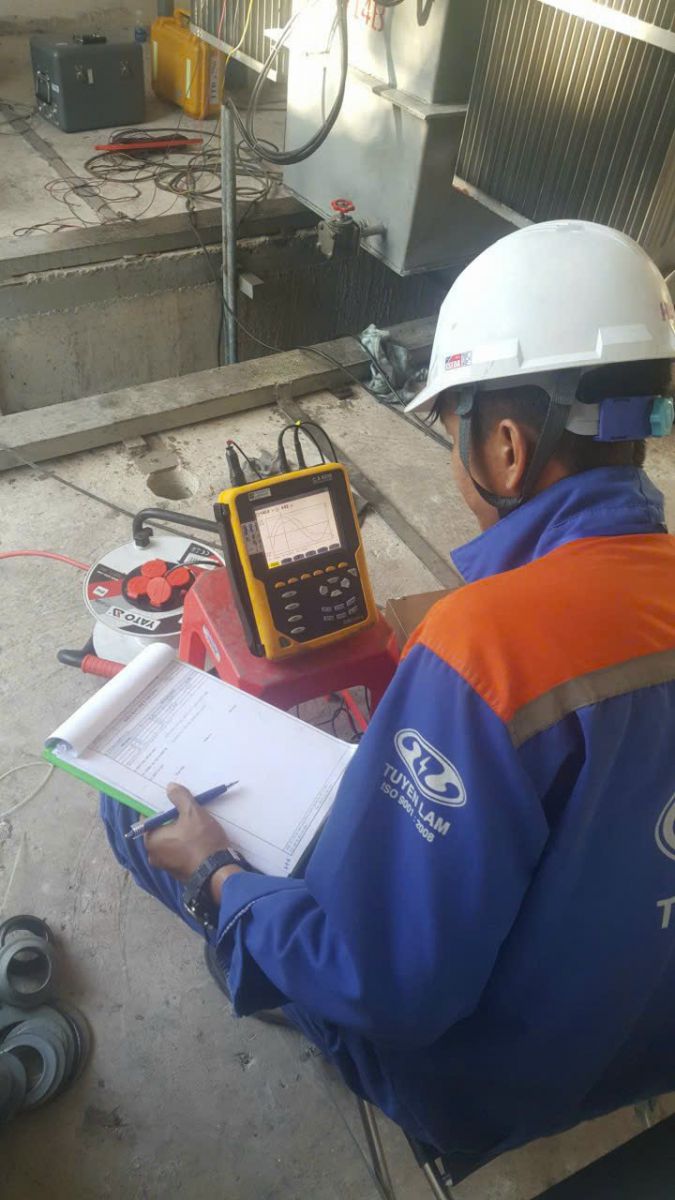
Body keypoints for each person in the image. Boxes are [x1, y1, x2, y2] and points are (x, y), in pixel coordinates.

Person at [101, 220, 675, 1162]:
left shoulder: (484, 652)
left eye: (451, 433)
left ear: (504, 447)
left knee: (127, 807)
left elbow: (386, 989)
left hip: (476, 1080)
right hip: (641, 1046)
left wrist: (217, 875)